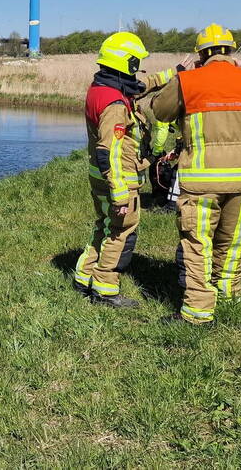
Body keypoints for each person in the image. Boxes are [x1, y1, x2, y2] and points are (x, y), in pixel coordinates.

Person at [153, 24, 241, 325]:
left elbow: (159, 111)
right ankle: (228, 297)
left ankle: (197, 310)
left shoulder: (187, 81)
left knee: (198, 245)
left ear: (201, 54)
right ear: (232, 51)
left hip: (201, 182)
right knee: (232, 243)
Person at [72, 32, 180, 308]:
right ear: (127, 63)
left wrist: (176, 73)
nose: (139, 68)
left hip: (99, 177)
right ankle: (106, 290)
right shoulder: (115, 105)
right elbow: (111, 153)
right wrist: (121, 194)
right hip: (117, 180)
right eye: (136, 62)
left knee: (105, 226)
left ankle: (84, 276)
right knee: (122, 231)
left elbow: (143, 85)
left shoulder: (104, 87)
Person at [136, 94, 176, 211]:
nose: (154, 111)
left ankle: (171, 205)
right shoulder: (172, 107)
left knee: (178, 172)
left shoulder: (161, 112)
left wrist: (155, 153)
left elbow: (161, 133)